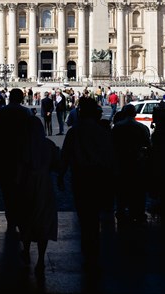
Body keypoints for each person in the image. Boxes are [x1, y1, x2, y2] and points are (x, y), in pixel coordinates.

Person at [57, 97, 114, 269]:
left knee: (84, 213)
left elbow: (65, 155)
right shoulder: (103, 131)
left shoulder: (75, 131)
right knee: (95, 213)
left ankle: (87, 245)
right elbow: (110, 157)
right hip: (99, 176)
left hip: (81, 176)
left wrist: (60, 176)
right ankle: (94, 245)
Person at [0, 88, 43, 231]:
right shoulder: (26, 113)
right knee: (21, 190)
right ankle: (19, 218)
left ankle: (11, 219)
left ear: (9, 98)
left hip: (3, 156)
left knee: (7, 190)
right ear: (22, 98)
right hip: (22, 156)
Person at [17, 118, 60, 276]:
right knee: (43, 219)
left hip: (26, 183)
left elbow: (18, 168)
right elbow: (57, 164)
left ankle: (26, 249)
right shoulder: (48, 145)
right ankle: (41, 258)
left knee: (26, 218)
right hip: (44, 185)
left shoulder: (22, 146)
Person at [111, 103, 152, 224]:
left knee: (121, 191)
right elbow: (148, 145)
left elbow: (111, 145)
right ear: (134, 114)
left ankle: (121, 211)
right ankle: (138, 212)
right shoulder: (141, 127)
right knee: (138, 191)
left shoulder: (117, 127)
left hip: (121, 162)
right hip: (137, 162)